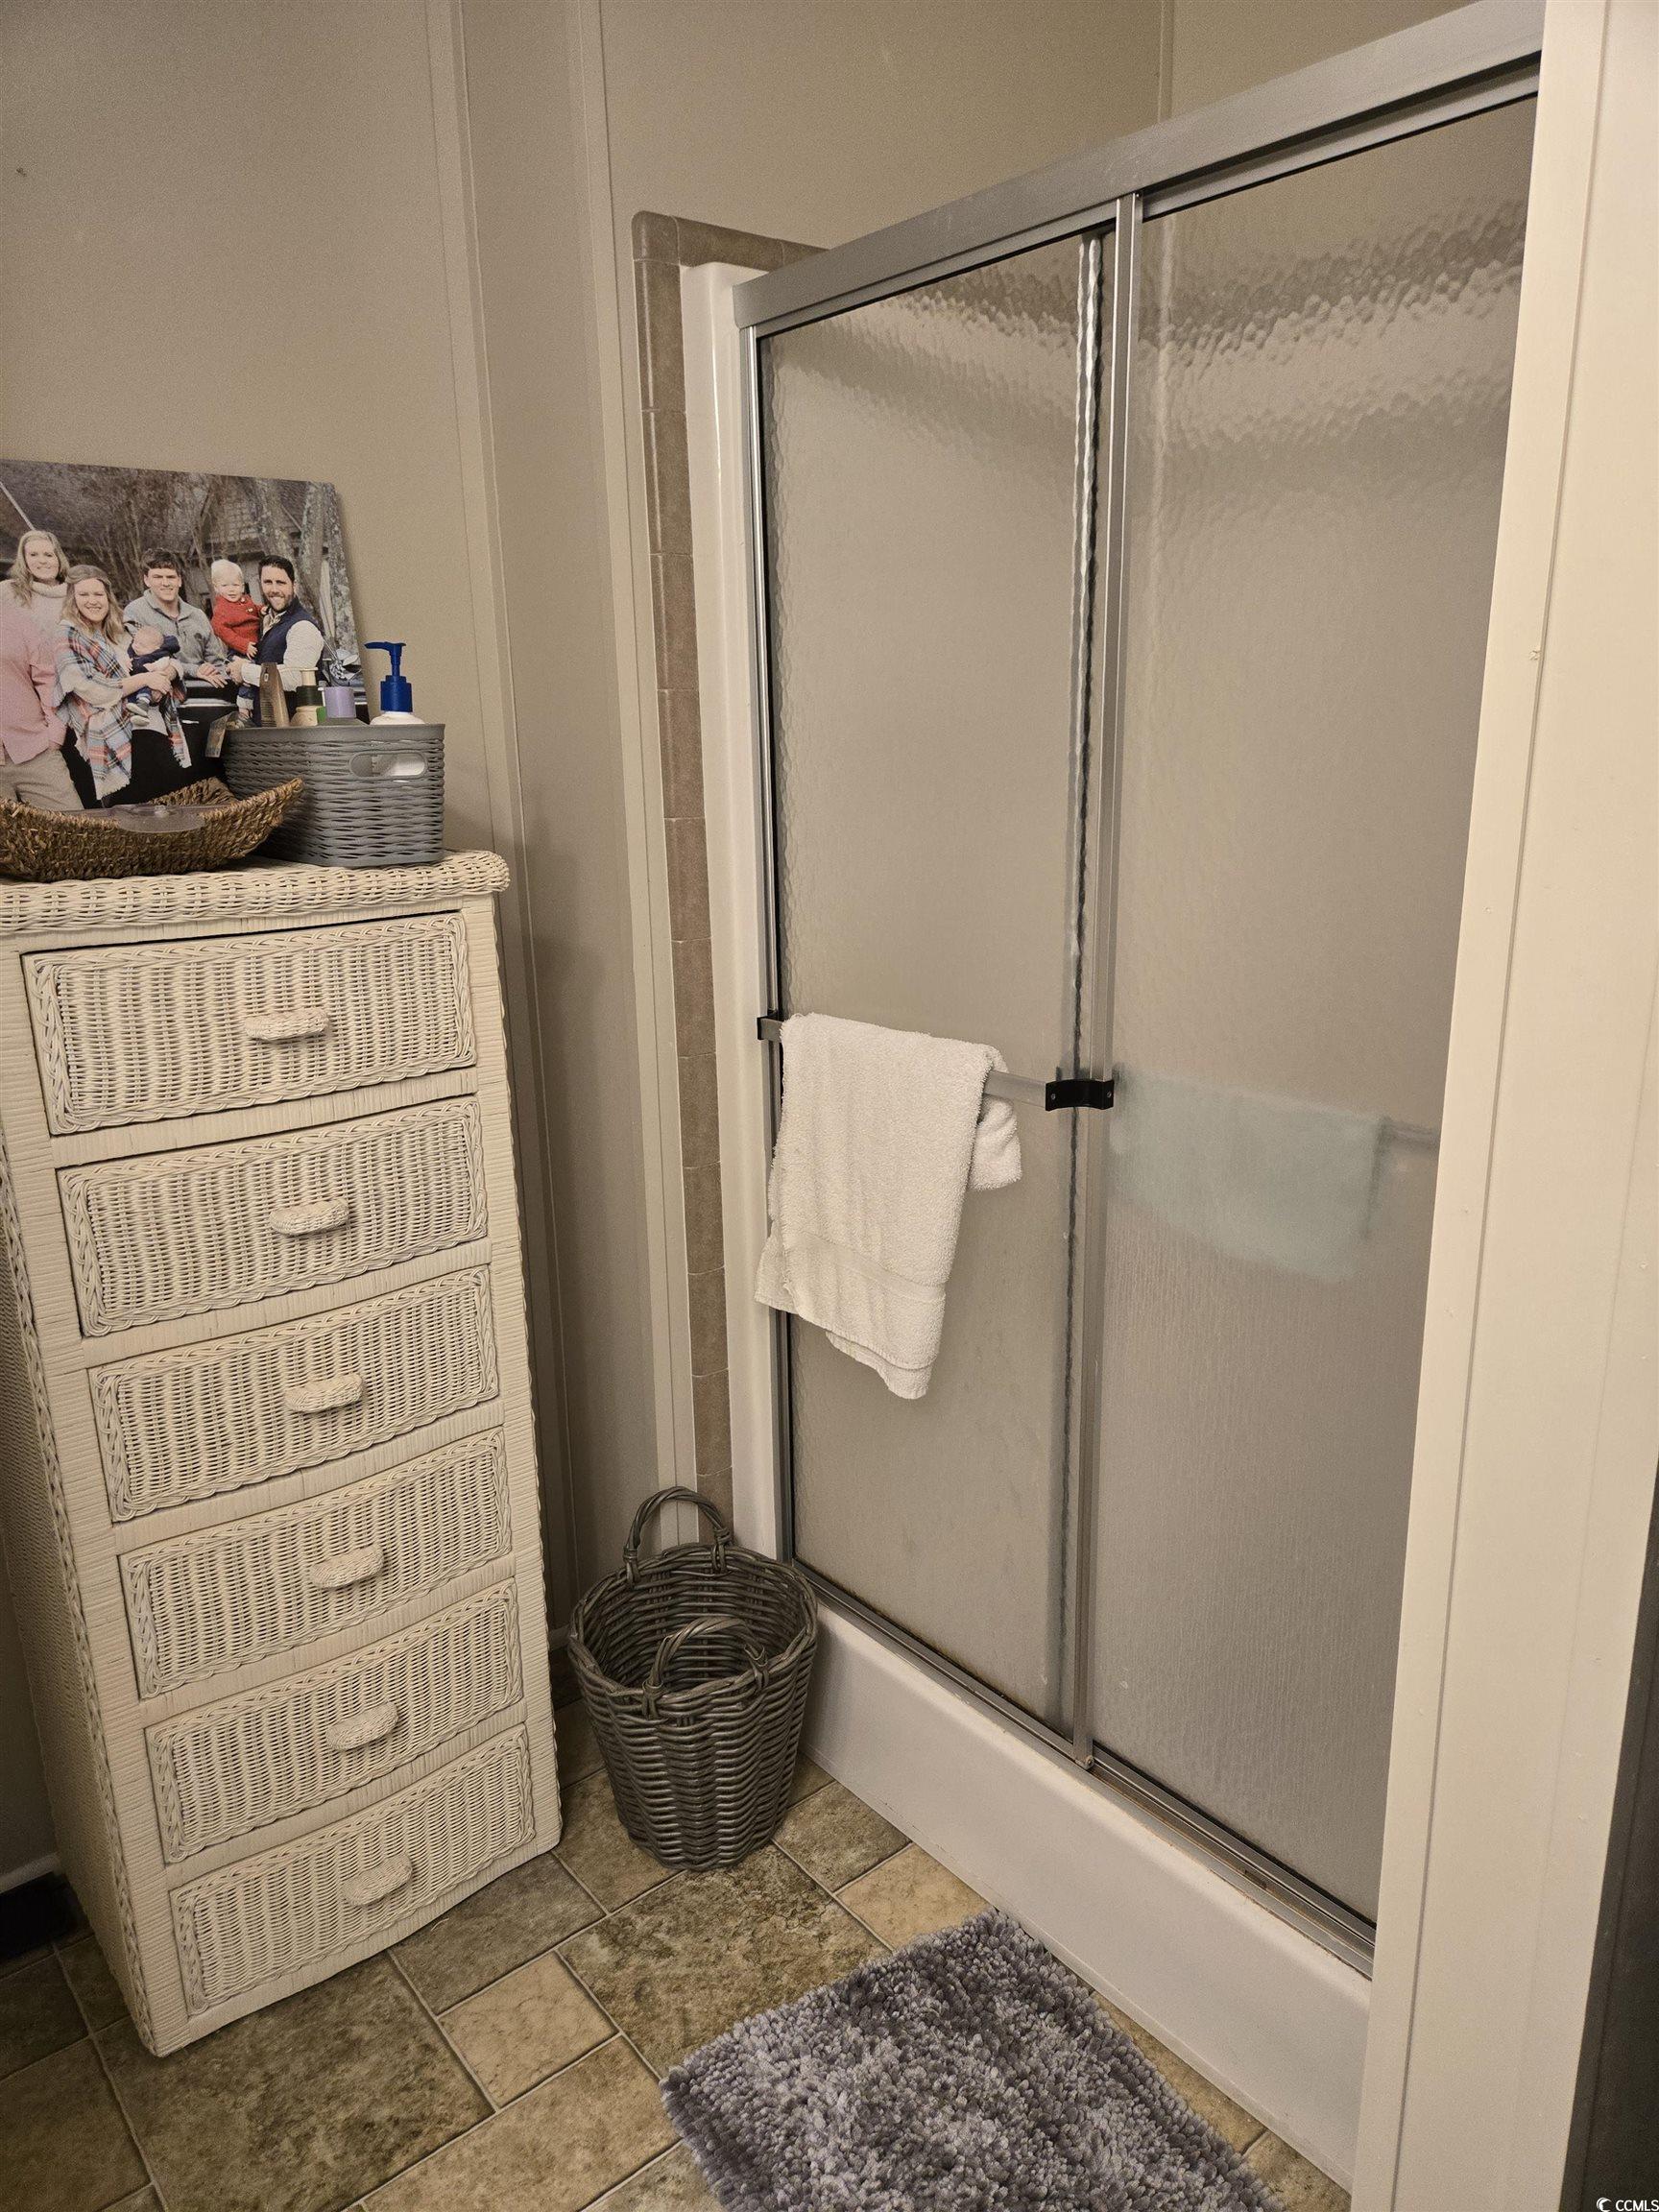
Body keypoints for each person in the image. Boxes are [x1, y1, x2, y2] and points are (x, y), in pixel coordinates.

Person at [55, 565, 191, 804]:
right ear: (72, 599)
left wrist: (166, 675)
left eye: (98, 594)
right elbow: (94, 690)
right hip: (112, 732)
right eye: (83, 594)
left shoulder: (124, 631)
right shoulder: (69, 636)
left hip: (153, 726)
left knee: (169, 803)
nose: (93, 601)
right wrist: (147, 679)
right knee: (134, 811)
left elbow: (170, 660)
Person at [0, 589, 80, 810]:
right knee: (8, 844)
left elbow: (48, 680)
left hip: (34, 750)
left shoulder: (18, 620)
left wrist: (54, 734)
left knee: (76, 833)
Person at [228, 555, 326, 714]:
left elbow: (296, 677)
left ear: (294, 586)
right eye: (268, 582)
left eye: (280, 582)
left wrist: (245, 671)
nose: (274, 589)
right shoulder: (264, 620)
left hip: (295, 731)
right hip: (268, 728)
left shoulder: (302, 626)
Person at [122, 550, 229, 690]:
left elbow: (217, 662)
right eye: (158, 577)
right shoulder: (134, 612)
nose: (165, 583)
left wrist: (212, 669)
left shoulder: (197, 615)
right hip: (160, 697)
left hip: (204, 691)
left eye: (171, 577)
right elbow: (142, 661)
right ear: (146, 580)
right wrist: (194, 670)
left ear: (179, 580)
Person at [3, 528, 71, 637]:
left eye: (48, 555)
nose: (42, 561)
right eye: (33, 555)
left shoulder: (77, 593)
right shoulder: (7, 592)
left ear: (58, 559)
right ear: (24, 561)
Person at [208, 558, 261, 660]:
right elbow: (221, 630)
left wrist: (261, 609)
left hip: (257, 643)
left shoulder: (246, 600)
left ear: (242, 587)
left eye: (235, 585)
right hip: (240, 651)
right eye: (225, 585)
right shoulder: (222, 609)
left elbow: (253, 609)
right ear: (216, 588)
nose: (231, 589)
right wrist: (243, 645)